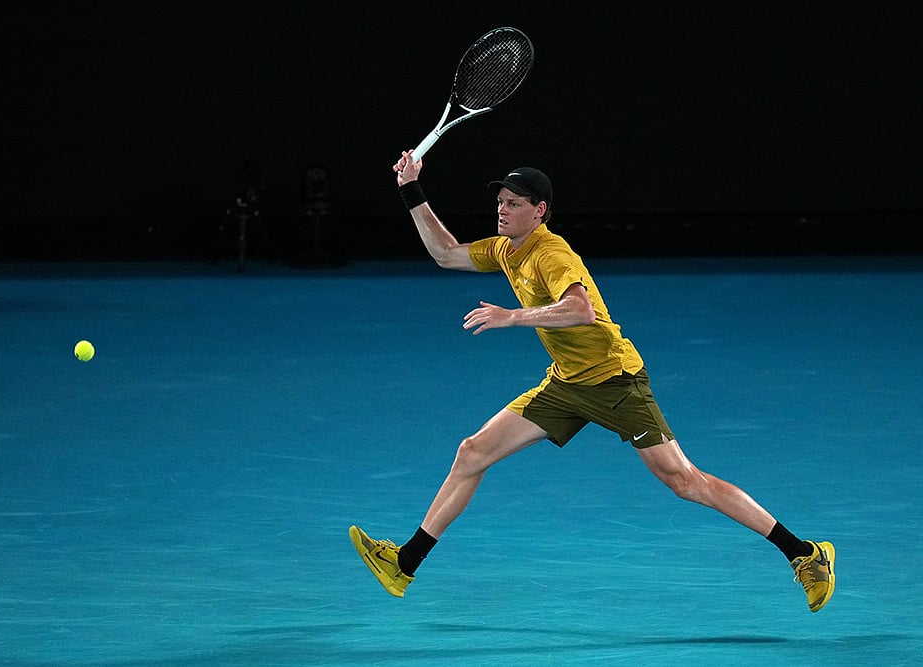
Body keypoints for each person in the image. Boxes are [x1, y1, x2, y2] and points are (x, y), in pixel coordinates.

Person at [348, 150, 835, 613]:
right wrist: (411, 190)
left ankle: (805, 553)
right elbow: (446, 254)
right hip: (565, 385)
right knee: (472, 452)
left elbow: (579, 310)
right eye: (500, 202)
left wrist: (513, 317)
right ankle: (404, 563)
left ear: (539, 211)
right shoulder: (505, 249)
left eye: (514, 204)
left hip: (614, 381)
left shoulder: (552, 254)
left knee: (684, 482)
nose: (503, 210)